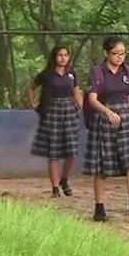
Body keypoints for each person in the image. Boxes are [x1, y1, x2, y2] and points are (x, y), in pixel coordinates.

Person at [83, 36, 129, 222]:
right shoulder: (97, 72)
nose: (120, 57)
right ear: (106, 53)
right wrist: (107, 112)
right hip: (104, 116)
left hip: (125, 117)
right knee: (103, 165)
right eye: (115, 53)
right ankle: (99, 207)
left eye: (123, 53)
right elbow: (92, 99)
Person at [28, 45, 84, 198]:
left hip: (69, 111)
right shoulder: (47, 74)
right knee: (53, 152)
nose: (63, 58)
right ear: (54, 57)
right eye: (60, 55)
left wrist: (83, 108)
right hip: (52, 111)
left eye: (66, 55)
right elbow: (32, 87)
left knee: (71, 151)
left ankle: (64, 179)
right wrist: (33, 104)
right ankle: (55, 188)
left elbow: (76, 92)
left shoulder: (71, 73)